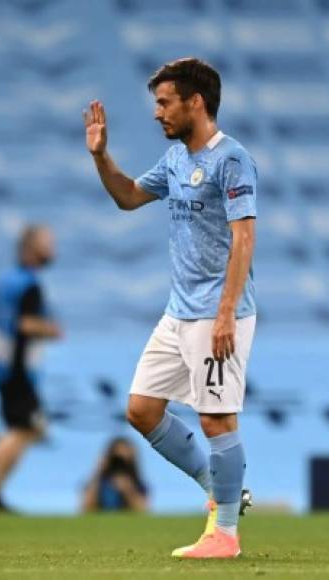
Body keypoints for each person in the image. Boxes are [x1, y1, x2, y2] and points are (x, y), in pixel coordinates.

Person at [83, 58, 255, 558]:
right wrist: (100, 157)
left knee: (216, 420)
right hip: (178, 311)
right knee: (141, 410)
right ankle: (220, 490)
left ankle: (225, 534)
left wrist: (225, 314)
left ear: (194, 102)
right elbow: (129, 197)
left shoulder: (232, 160)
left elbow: (244, 239)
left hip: (217, 312)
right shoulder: (178, 160)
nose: (158, 114)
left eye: (164, 103)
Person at [0, 225, 62, 512]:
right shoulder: (29, 284)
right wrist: (50, 329)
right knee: (28, 427)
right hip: (16, 365)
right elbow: (25, 324)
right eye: (47, 242)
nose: (52, 249)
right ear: (30, 248)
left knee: (24, 429)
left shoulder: (7, 280)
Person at [81, 437, 148, 513]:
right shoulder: (98, 482)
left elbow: (143, 511)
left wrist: (128, 490)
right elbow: (85, 508)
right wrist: (98, 472)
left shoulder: (137, 484)